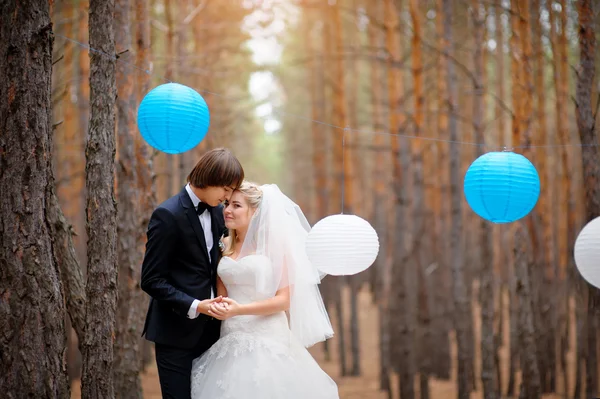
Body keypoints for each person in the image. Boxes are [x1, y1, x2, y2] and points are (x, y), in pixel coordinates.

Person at [190, 182, 339, 399]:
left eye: (237, 206)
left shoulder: (276, 246)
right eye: (227, 204)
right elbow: (223, 291)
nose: (228, 210)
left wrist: (239, 310)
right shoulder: (224, 244)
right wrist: (220, 306)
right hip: (230, 335)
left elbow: (284, 300)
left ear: (255, 211)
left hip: (267, 335)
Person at [141, 147, 244, 399]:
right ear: (211, 178)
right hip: (175, 335)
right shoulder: (167, 215)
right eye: (226, 189)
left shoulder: (220, 214)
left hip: (215, 334)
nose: (227, 197)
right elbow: (151, 280)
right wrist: (197, 305)